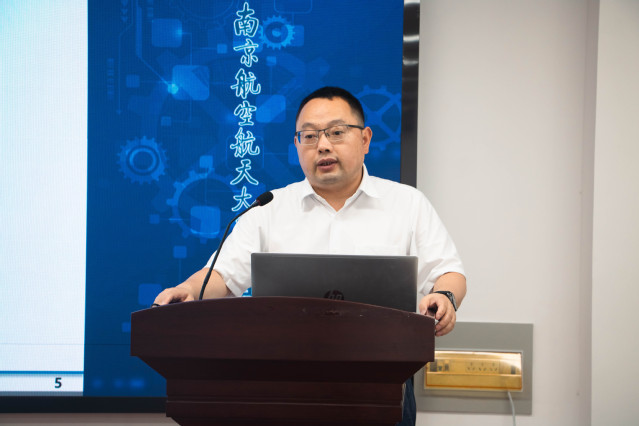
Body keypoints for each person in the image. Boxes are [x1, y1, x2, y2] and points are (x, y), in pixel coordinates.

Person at [153, 86, 466, 425]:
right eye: (310, 136)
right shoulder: (269, 208)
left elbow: (448, 272)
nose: (323, 145)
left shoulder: (407, 204)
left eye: (336, 132)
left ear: (365, 139)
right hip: (284, 383)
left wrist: (444, 297)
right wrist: (188, 289)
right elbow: (222, 275)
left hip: (384, 382)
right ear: (297, 145)